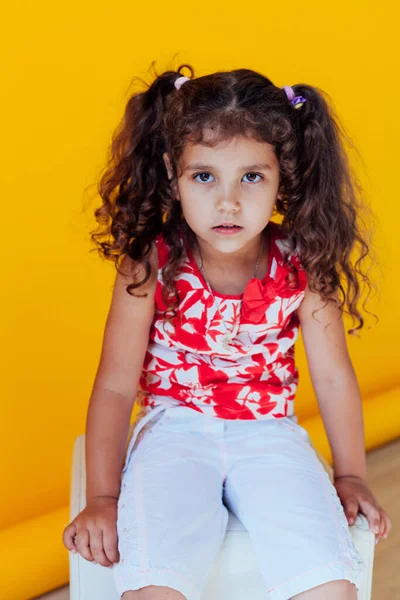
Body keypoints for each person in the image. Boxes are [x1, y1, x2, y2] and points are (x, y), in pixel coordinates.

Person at [63, 62, 392, 600]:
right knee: (152, 581)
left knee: (332, 582)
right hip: (175, 430)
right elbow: (117, 384)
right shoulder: (151, 264)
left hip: (269, 433)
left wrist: (352, 475)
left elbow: (333, 379)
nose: (229, 201)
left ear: (284, 174)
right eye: (205, 176)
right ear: (173, 173)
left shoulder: (302, 263)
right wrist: (102, 496)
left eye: (252, 177)